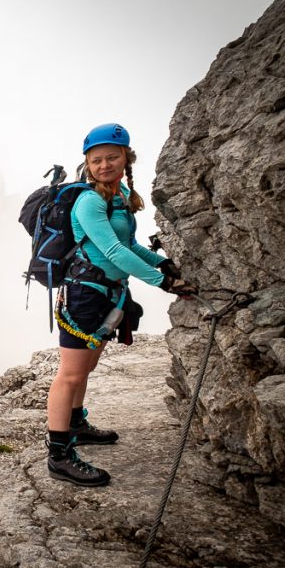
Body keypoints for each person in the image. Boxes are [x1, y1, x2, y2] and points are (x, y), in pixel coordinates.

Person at [45, 123, 196, 486]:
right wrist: (163, 282)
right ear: (87, 164)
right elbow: (111, 251)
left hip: (107, 293)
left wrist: (160, 263)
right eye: (96, 160)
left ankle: (76, 424)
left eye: (112, 157)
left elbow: (128, 244)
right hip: (84, 294)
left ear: (126, 158)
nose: (104, 165)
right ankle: (59, 455)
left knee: (86, 367)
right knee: (70, 373)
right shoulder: (90, 201)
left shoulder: (119, 196)